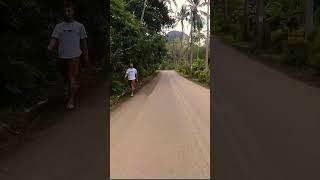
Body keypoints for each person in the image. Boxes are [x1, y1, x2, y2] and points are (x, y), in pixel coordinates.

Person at [47, 2, 89, 110]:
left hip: (75, 56)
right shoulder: (59, 27)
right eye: (65, 11)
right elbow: (54, 39)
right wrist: (49, 48)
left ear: (73, 12)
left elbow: (83, 42)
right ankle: (72, 89)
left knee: (71, 77)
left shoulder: (80, 26)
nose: (67, 13)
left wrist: (85, 55)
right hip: (62, 57)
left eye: (69, 11)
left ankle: (71, 100)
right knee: (66, 78)